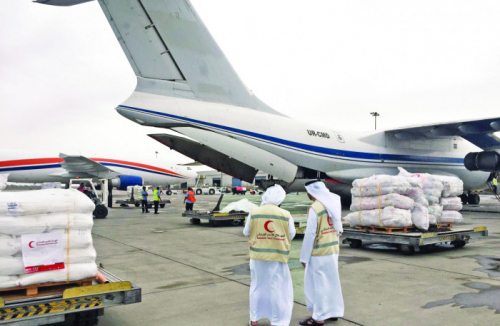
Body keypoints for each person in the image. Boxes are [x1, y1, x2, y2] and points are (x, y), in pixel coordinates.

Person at [243, 185, 296, 326]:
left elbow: (246, 232)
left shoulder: (254, 212)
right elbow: (292, 234)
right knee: (277, 288)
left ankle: (254, 319)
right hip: (277, 256)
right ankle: (277, 321)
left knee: (257, 286)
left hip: (258, 256)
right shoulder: (285, 214)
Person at [299, 180, 344, 325]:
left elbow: (311, 234)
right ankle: (333, 312)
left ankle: (318, 317)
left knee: (319, 284)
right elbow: (338, 227)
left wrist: (304, 257)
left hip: (319, 252)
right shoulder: (333, 201)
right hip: (333, 249)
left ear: (311, 192)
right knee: (332, 282)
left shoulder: (316, 208)